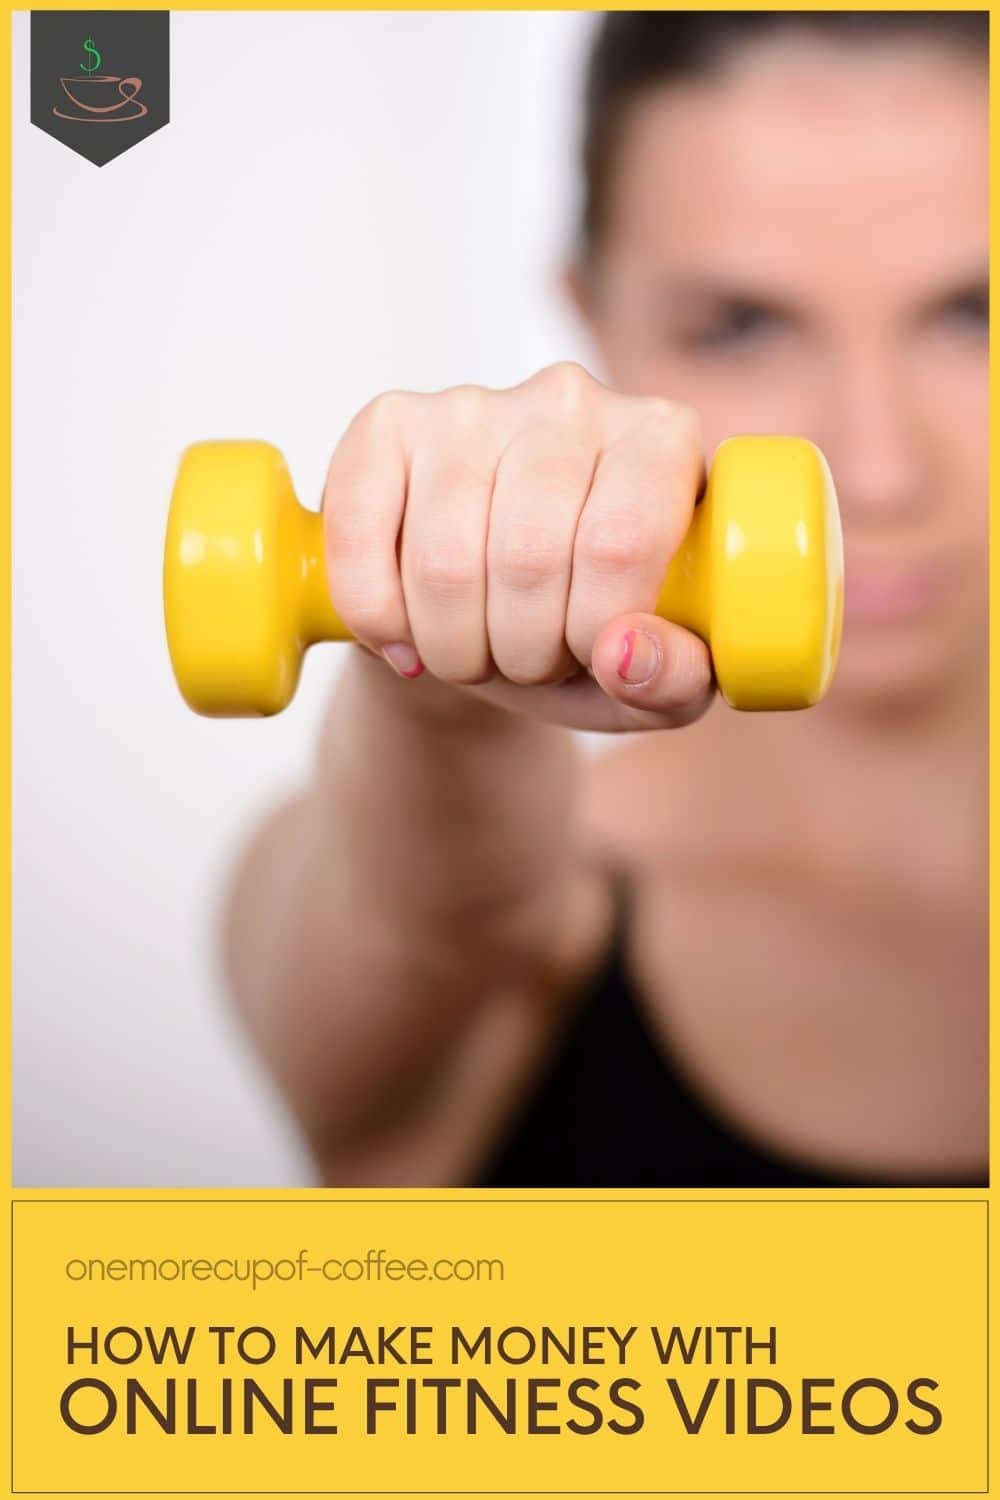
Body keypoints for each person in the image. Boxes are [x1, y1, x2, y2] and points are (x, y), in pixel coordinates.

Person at [223, 11, 987, 1188]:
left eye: (971, 317)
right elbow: (434, 918)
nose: (877, 468)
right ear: (592, 322)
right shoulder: (498, 929)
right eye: (739, 327)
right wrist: (442, 670)